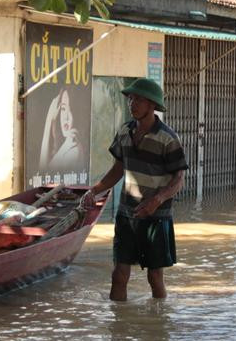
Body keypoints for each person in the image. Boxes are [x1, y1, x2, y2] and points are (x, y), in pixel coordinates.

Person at [79, 78, 186, 301]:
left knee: (155, 277)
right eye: (131, 99)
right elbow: (118, 168)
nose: (132, 103)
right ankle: (119, 331)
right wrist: (94, 190)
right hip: (126, 214)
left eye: (138, 99)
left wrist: (157, 200)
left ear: (152, 105)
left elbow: (179, 179)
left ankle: (158, 326)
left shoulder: (168, 138)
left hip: (157, 216)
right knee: (119, 275)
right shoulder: (124, 132)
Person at [38, 87, 84, 171]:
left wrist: (49, 119)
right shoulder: (67, 145)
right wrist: (50, 119)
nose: (65, 117)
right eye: (63, 109)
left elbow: (43, 171)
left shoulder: (74, 151)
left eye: (71, 110)